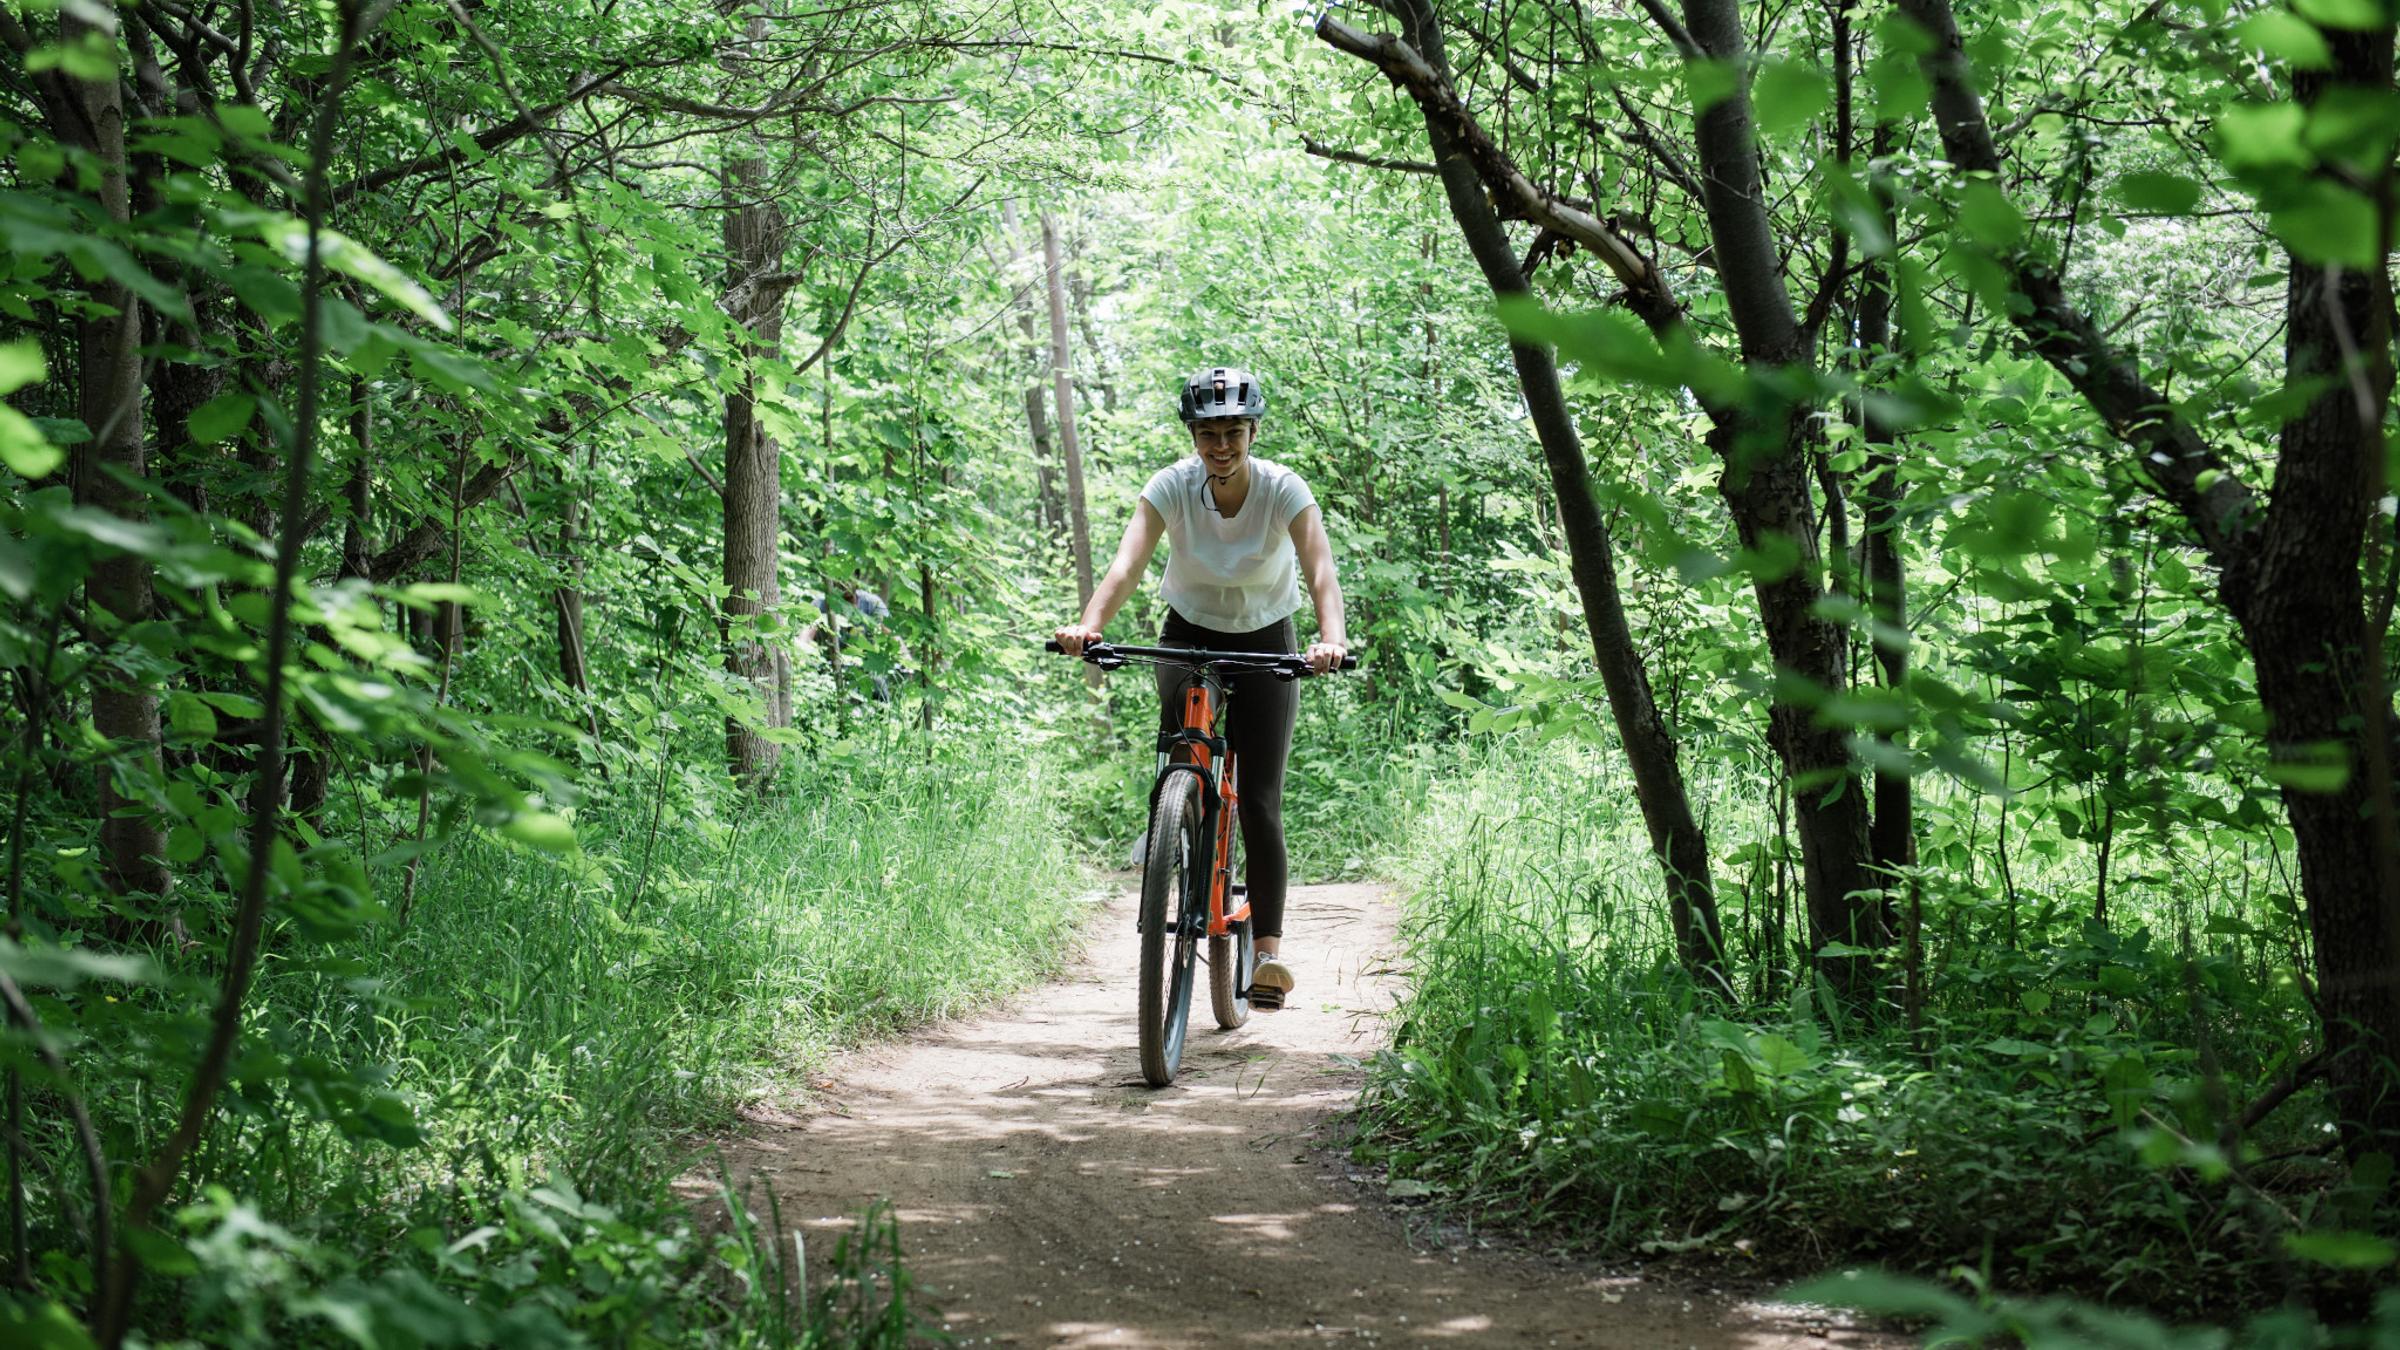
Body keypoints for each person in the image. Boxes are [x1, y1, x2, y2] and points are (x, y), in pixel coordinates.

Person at [1054, 365, 1348, 1010]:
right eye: (1208, 433)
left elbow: (1320, 569)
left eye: (1234, 432)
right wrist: (1088, 627)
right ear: (1193, 436)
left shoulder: (1282, 489)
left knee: (1263, 799)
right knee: (1182, 751)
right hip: (1188, 630)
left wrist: (1331, 638)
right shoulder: (1171, 487)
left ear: (1252, 431)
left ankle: (1267, 953)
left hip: (1267, 636)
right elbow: (1128, 562)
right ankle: (1173, 822)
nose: (1222, 445)